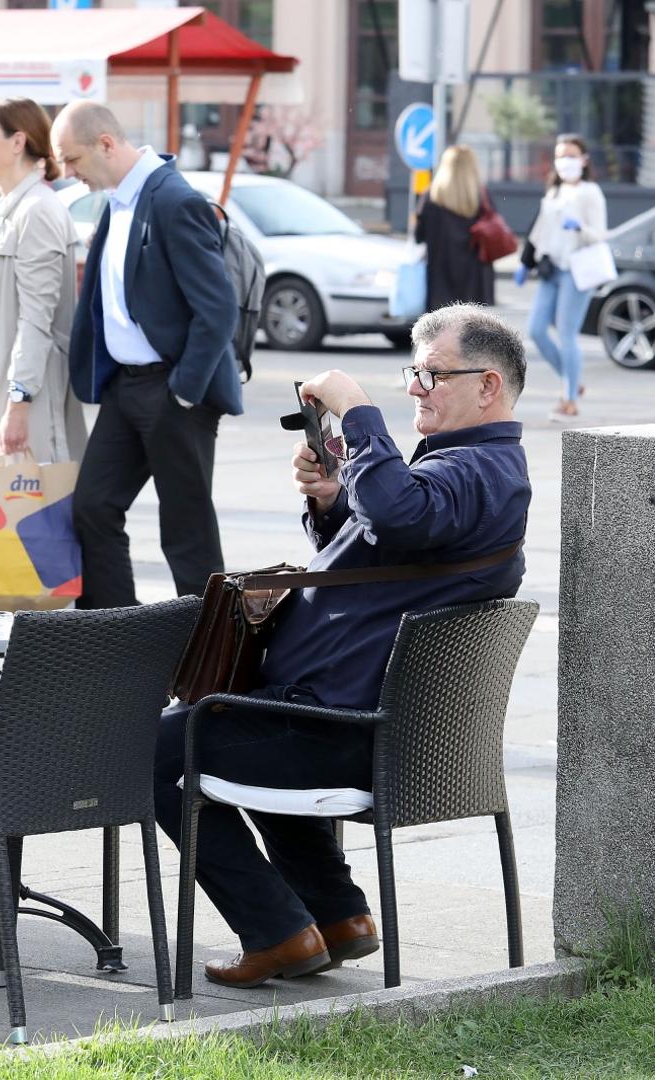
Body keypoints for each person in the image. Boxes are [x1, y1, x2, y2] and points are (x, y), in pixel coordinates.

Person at [152, 303, 531, 988]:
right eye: (413, 373)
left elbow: (397, 512)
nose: (416, 387)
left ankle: (276, 932)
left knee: (144, 752)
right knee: (237, 725)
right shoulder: (472, 473)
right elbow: (382, 557)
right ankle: (336, 915)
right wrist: (332, 498)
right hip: (337, 721)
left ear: (488, 387)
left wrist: (357, 411)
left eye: (434, 375)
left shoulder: (476, 472)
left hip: (338, 729)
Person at [49, 101, 240, 609]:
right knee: (92, 507)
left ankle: (213, 666)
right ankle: (116, 641)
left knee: (186, 532)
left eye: (71, 159)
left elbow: (218, 309)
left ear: (106, 144)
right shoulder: (118, 199)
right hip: (126, 388)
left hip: (174, 390)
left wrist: (183, 391)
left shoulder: (174, 200)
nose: (67, 173)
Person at [0, 98, 86, 470]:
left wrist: (18, 402)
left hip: (25, 405)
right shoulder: (8, 210)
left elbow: (36, 319)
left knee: (25, 521)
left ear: (17, 142)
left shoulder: (37, 211)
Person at [517, 134, 606, 421]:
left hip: (576, 270)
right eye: (560, 155)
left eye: (571, 155)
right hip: (551, 268)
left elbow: (600, 235)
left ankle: (569, 400)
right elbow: (538, 230)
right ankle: (572, 381)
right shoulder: (553, 191)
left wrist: (579, 226)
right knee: (537, 329)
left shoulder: (590, 192)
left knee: (567, 333)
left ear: (584, 159)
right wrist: (525, 262)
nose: (565, 161)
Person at [414, 145, 494, 310]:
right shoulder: (480, 197)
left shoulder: (432, 198)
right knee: (469, 331)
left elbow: (418, 236)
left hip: (439, 279)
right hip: (474, 280)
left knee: (439, 331)